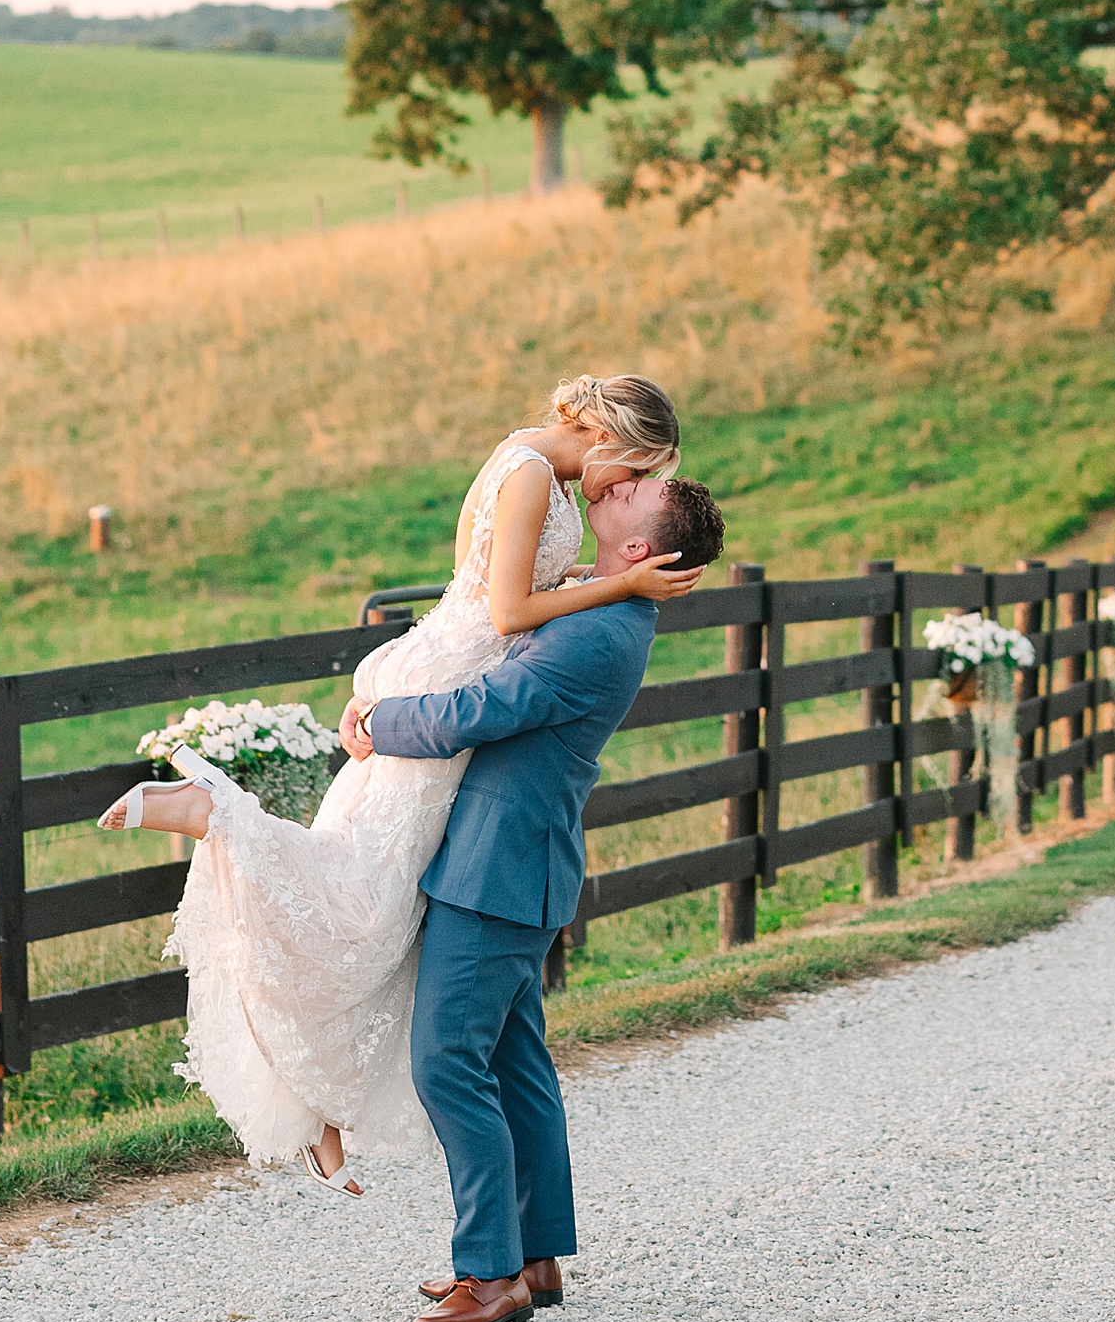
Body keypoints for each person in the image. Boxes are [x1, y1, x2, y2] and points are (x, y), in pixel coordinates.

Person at [97, 376, 696, 1197]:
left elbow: (507, 590)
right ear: (609, 442)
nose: (623, 491)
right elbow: (513, 611)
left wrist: (600, 581)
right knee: (363, 897)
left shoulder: (532, 468)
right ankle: (217, 817)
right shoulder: (528, 475)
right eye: (631, 473)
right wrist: (623, 584)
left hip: (450, 669)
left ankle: (321, 1107)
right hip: (451, 683)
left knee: (379, 901)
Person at [348, 474, 726, 1322]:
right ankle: (537, 1258)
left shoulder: (599, 633)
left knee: (447, 1060)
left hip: (499, 870)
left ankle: (488, 1275)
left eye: (638, 493)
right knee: (516, 1066)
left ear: (639, 549)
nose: (620, 485)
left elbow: (489, 708)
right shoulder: (604, 606)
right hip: (518, 865)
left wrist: (382, 722)